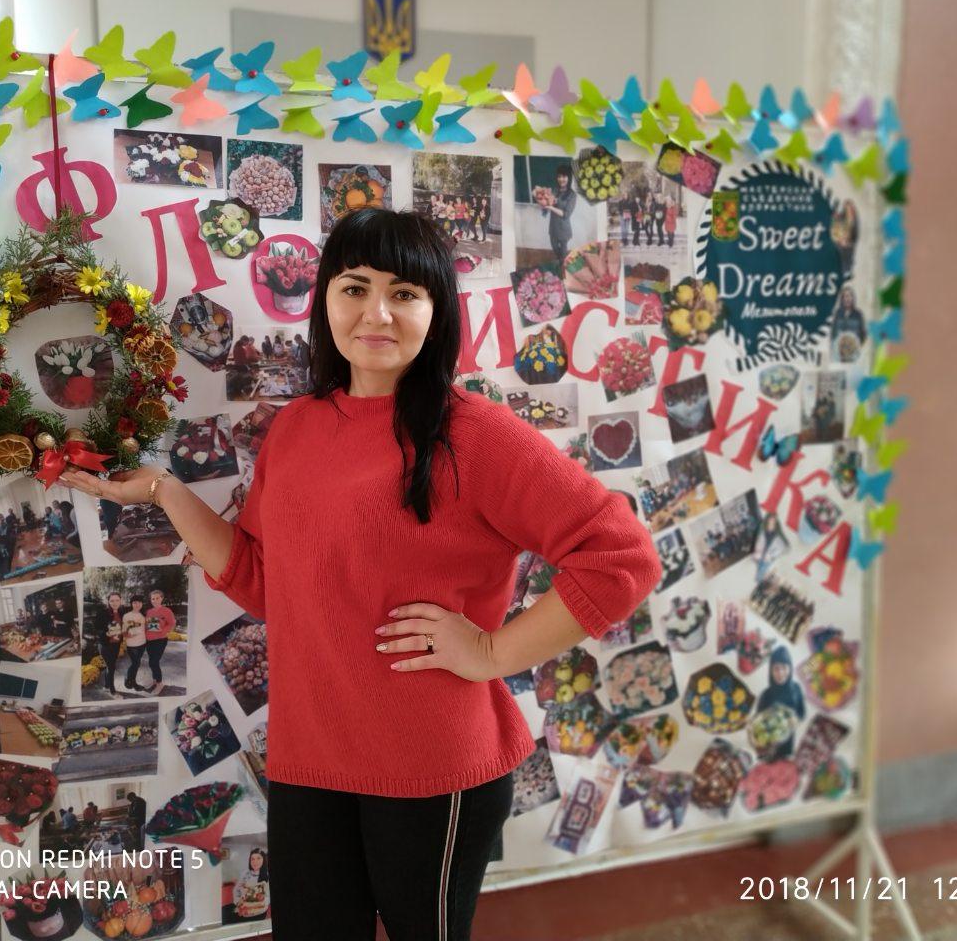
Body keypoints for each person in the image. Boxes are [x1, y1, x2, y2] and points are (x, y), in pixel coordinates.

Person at [59, 207, 662, 940]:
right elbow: (263, 580)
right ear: (325, 300)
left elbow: (621, 556)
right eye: (355, 288)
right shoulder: (296, 427)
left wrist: (492, 651)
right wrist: (163, 490)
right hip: (308, 758)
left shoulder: (474, 433)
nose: (377, 313)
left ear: (437, 312)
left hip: (431, 767)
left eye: (404, 293)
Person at [757, 645, 807, 758]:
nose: (780, 673)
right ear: (770, 671)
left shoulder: (796, 689)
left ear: (790, 668)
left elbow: (802, 713)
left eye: (784, 667)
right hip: (768, 751)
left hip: (788, 749)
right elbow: (758, 725)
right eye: (776, 668)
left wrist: (795, 720)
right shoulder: (765, 695)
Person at [543, 164, 577, 275]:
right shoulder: (554, 190)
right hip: (553, 227)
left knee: (562, 253)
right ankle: (564, 263)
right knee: (554, 248)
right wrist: (544, 204)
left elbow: (566, 214)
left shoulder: (572, 195)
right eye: (559, 176)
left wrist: (551, 207)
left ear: (569, 178)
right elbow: (546, 208)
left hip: (563, 229)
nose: (561, 179)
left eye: (564, 176)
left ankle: (563, 272)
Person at [143, 589, 177, 694]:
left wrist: (163, 631)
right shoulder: (149, 612)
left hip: (160, 640)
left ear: (161, 598)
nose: (155, 600)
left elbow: (172, 623)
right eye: (153, 599)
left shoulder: (167, 611)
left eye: (157, 598)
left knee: (154, 662)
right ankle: (154, 681)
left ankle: (159, 684)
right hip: (149, 641)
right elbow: (146, 625)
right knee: (151, 662)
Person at [91, 592, 127, 692]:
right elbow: (96, 629)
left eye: (117, 600)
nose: (115, 603)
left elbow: (124, 626)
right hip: (105, 645)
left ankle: (107, 686)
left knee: (110, 666)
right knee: (111, 667)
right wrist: (106, 634)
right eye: (112, 601)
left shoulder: (122, 612)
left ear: (120, 601)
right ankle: (112, 690)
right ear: (108, 601)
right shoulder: (102, 613)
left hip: (116, 644)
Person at [121, 594, 149, 692]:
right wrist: (128, 634)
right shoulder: (127, 616)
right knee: (135, 663)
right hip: (132, 645)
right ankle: (131, 681)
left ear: (142, 604)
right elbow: (124, 631)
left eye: (139, 602)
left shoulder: (143, 615)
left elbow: (146, 628)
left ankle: (130, 679)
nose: (137, 604)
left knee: (136, 663)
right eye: (135, 602)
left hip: (143, 643)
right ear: (131, 604)